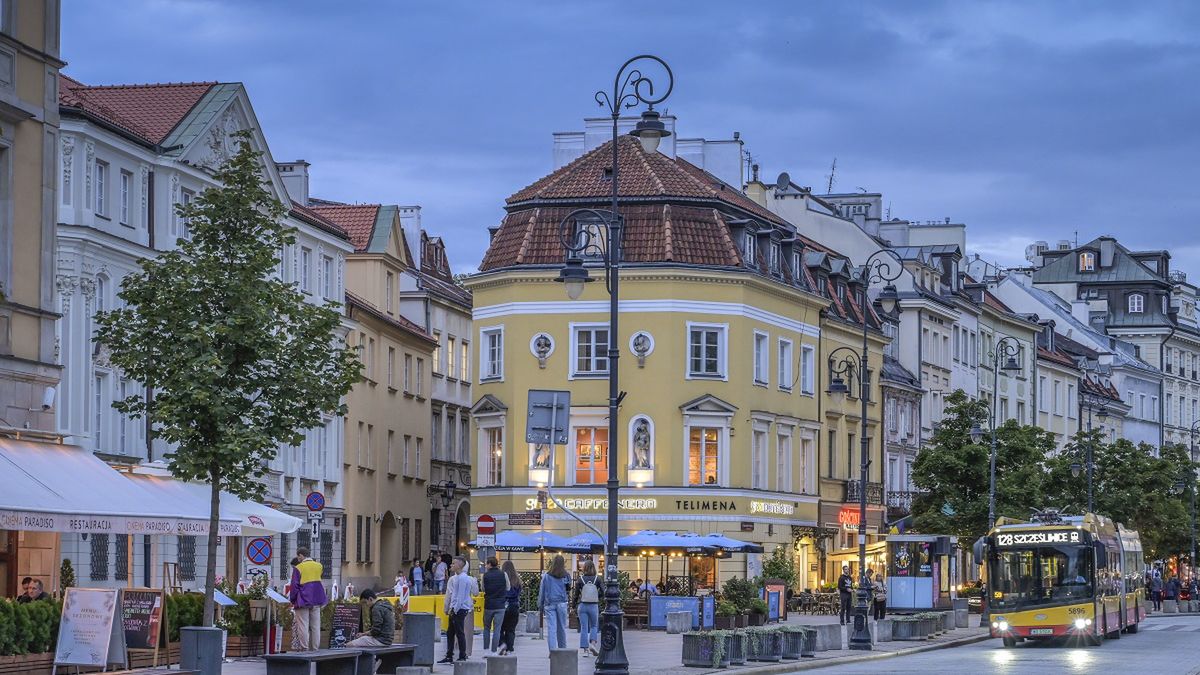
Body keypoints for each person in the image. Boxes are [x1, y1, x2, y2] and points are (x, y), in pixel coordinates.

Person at [288, 547, 328, 651]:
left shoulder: (299, 568)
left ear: (301, 555)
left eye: (298, 556)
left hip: (303, 600)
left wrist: (293, 600)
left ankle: (304, 648)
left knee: (303, 626)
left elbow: (294, 586)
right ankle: (315, 648)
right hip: (317, 599)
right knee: (315, 626)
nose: (298, 558)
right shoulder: (319, 566)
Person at [439, 556, 477, 663]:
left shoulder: (463, 579)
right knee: (450, 632)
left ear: (460, 565)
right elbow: (455, 595)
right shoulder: (458, 578)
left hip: (459, 610)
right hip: (456, 608)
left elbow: (460, 596)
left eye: (453, 563)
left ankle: (462, 655)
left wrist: (454, 609)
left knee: (459, 633)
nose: (451, 565)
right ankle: (449, 655)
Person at [539, 554, 570, 651]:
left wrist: (540, 604)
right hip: (562, 603)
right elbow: (568, 589)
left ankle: (552, 651)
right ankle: (563, 650)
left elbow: (542, 591)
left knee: (551, 629)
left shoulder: (546, 576)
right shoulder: (566, 575)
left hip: (549, 604)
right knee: (562, 628)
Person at [574, 560, 600, 656]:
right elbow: (603, 591)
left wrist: (573, 605)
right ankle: (592, 644)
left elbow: (576, 594)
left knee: (584, 627)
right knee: (594, 626)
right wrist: (597, 597)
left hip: (583, 605)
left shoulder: (580, 579)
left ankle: (585, 650)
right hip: (593, 605)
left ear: (584, 568)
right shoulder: (597, 579)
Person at [481, 557, 507, 653]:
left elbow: (483, 588)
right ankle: (494, 651)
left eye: (486, 564)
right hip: (500, 606)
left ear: (489, 564)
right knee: (497, 629)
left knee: (486, 628)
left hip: (489, 605)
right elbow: (508, 587)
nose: (485, 566)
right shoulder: (503, 574)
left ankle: (486, 650)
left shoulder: (485, 575)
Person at [498, 561, 522, 656]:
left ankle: (502, 645)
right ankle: (510, 648)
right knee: (511, 629)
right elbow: (519, 592)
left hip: (502, 605)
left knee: (500, 628)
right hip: (514, 606)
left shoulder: (500, 578)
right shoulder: (517, 580)